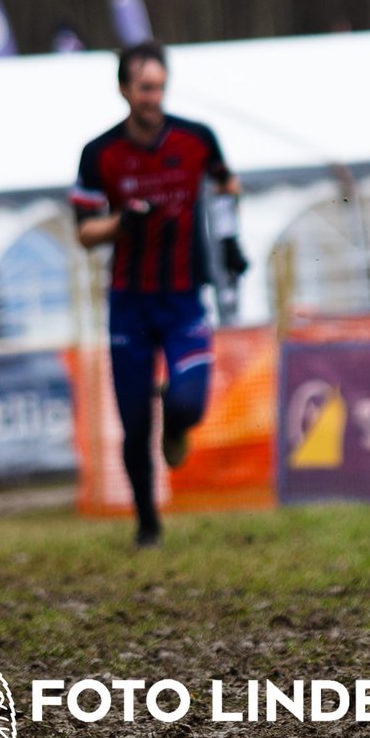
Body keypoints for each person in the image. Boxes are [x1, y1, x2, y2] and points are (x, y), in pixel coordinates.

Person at [71, 42, 248, 547]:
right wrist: (121, 222)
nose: (153, 97)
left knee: (190, 402)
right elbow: (83, 231)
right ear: (125, 90)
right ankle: (147, 522)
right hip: (129, 302)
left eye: (160, 87)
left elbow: (226, 186)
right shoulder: (99, 153)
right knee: (132, 424)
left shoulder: (196, 139)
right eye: (144, 88)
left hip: (183, 297)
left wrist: (231, 242)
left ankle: (177, 418)